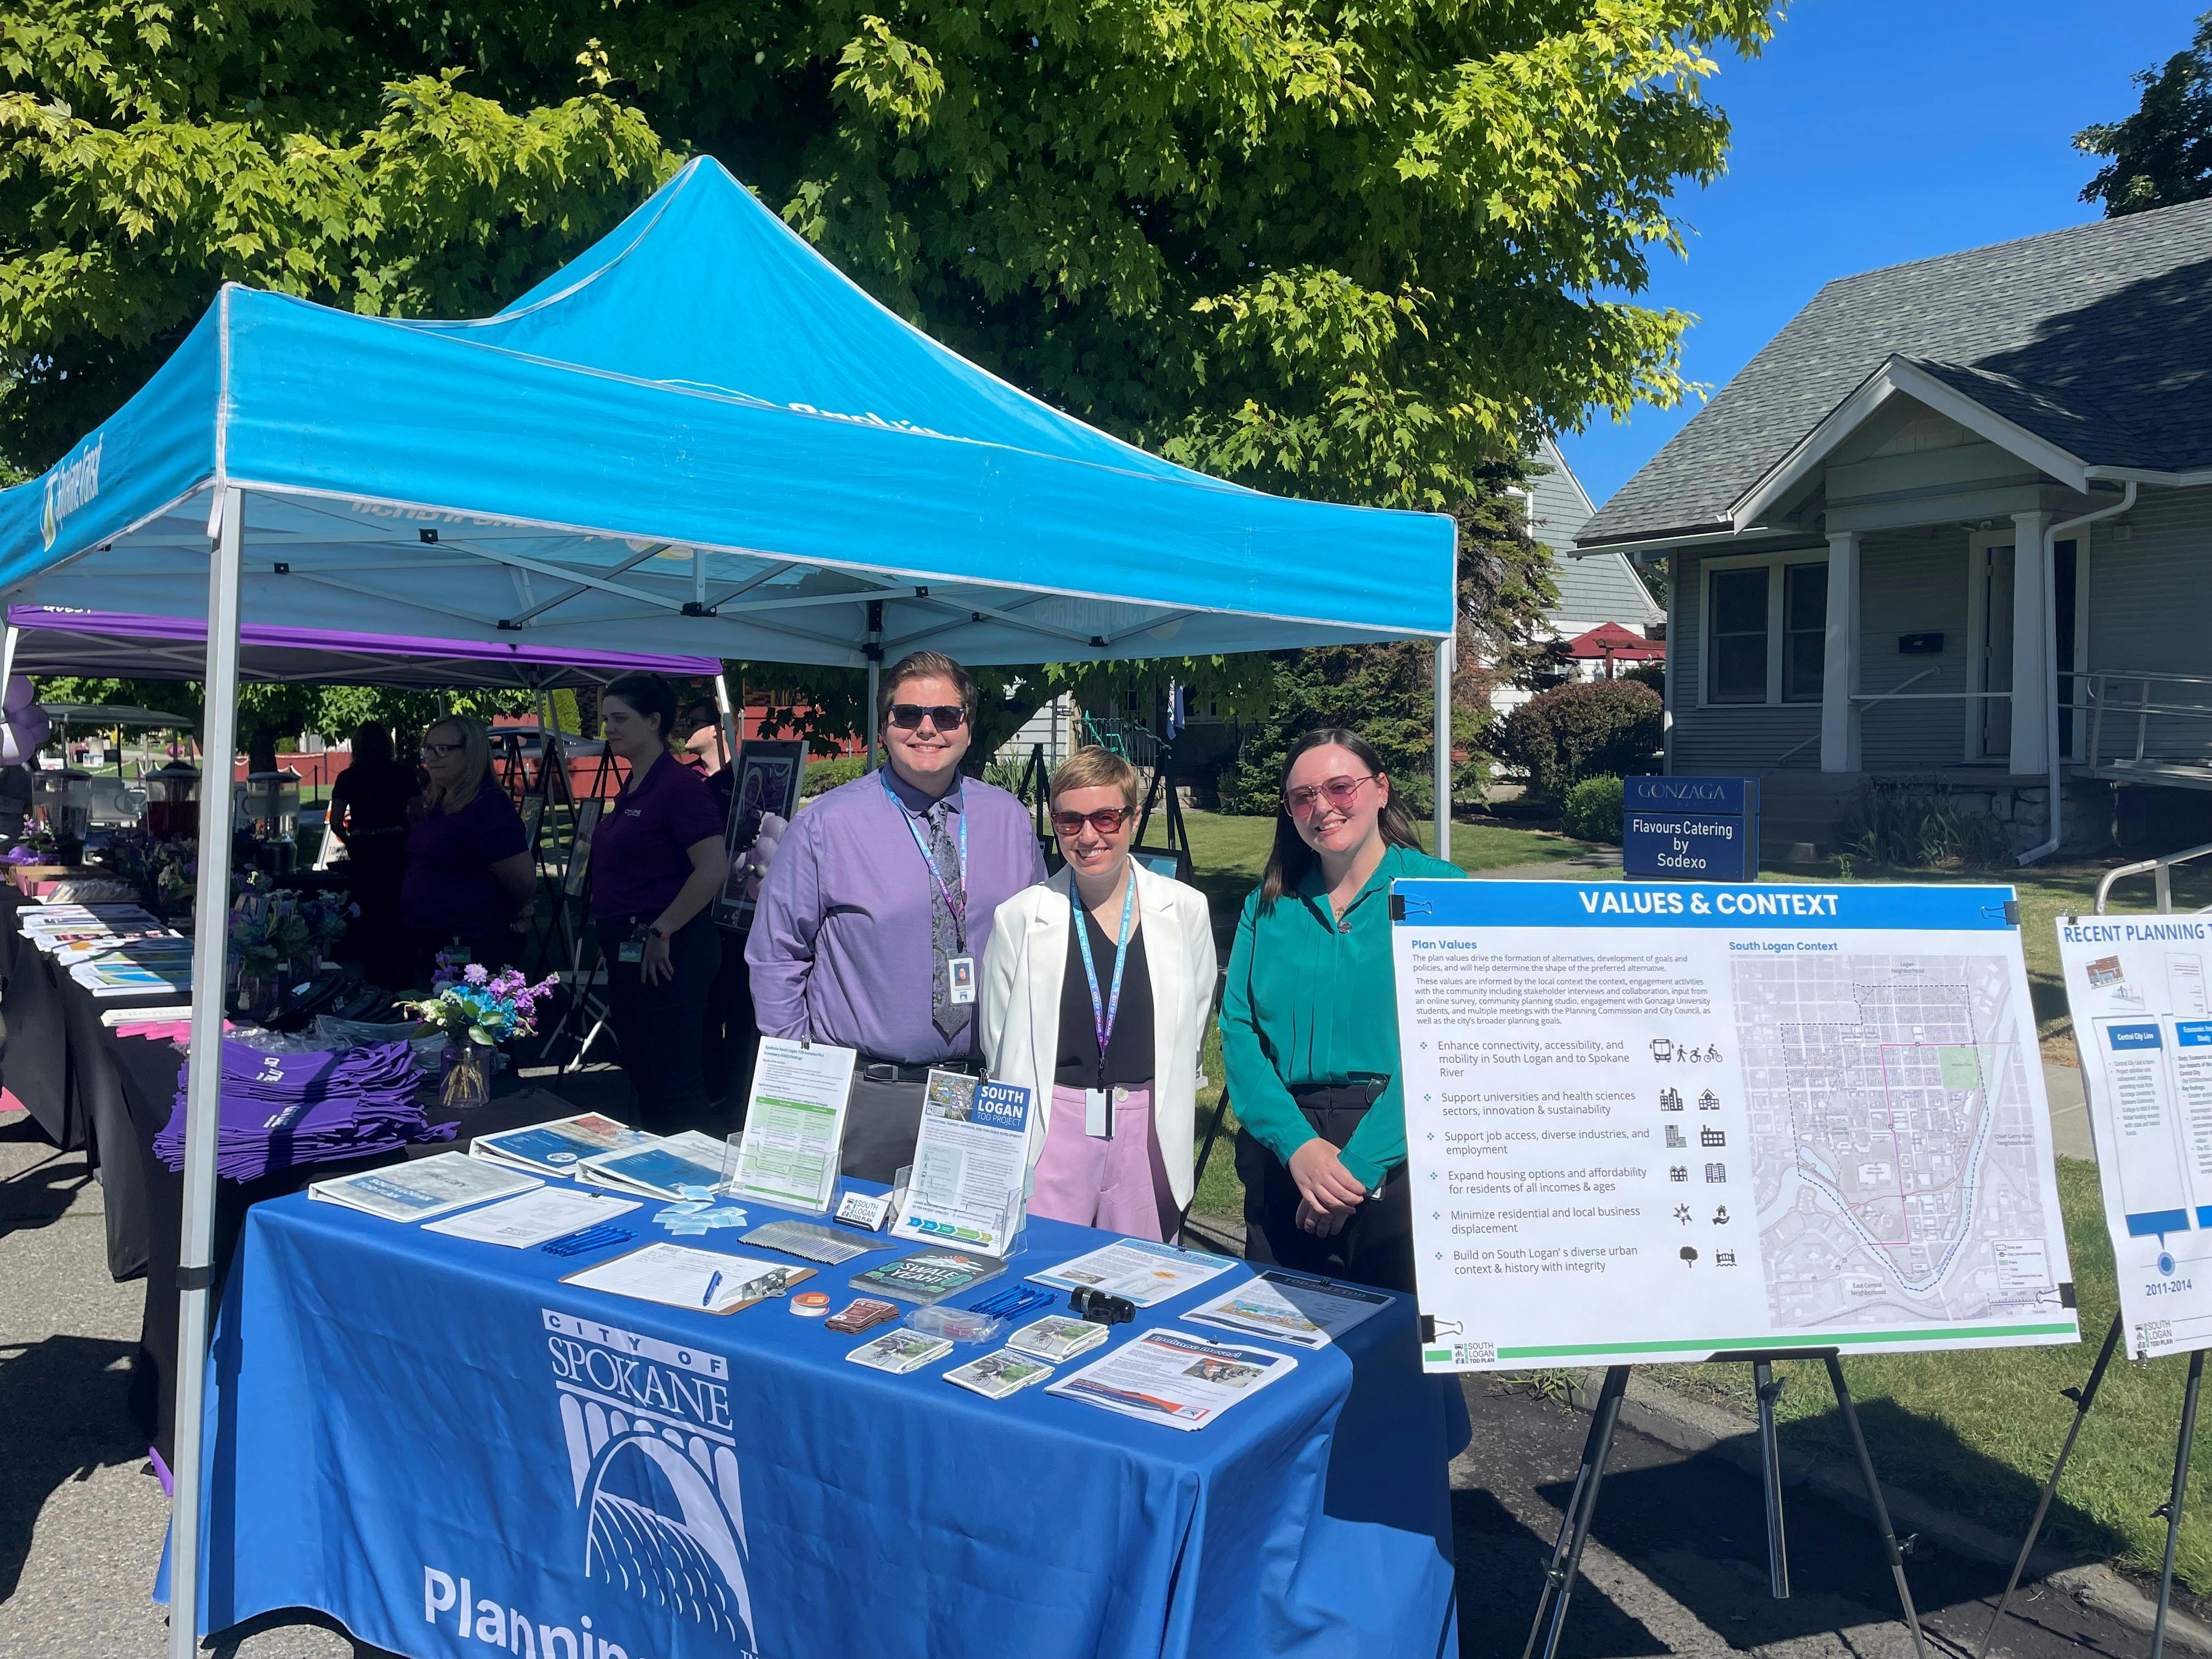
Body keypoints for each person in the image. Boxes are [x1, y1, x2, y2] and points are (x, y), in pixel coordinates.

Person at [748, 650, 1046, 1181]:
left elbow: (1043, 950)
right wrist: (806, 1073)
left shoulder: (1010, 823)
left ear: (968, 729)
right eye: (908, 715)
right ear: (883, 728)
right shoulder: (827, 826)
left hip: (980, 1092)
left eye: (946, 716)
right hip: (867, 1098)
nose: (926, 729)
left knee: (967, 1262)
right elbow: (775, 956)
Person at [1218, 728, 1465, 1291]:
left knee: (1399, 1355)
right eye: (1303, 797)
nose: (1321, 807)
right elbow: (1238, 1031)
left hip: (1400, 1152)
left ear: (1381, 789)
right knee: (1281, 1345)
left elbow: (1453, 1048)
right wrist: (1299, 1148)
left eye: (1339, 788)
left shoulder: (1444, 893)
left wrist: (1356, 1170)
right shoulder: (1268, 905)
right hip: (1286, 1154)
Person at [979, 748, 1216, 1239]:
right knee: (1041, 1272)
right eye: (1069, 821)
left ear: (1132, 817)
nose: (1089, 836)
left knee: (1141, 1281)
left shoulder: (1185, 910)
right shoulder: (1020, 917)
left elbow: (1194, 1023)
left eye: (1106, 818)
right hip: (1052, 1127)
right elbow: (999, 1042)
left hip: (1146, 1125)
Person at [590, 673, 729, 1134]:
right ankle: (653, 1171)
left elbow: (712, 867)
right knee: (645, 1074)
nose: (609, 728)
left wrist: (661, 929)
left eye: (620, 718)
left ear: (654, 721)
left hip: (668, 953)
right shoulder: (634, 784)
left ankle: (690, 1181)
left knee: (674, 1080)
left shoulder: (678, 787)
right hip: (633, 951)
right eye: (606, 718)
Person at [400, 716, 534, 980]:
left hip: (473, 945)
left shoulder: (488, 808)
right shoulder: (442, 802)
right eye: (428, 749)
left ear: (471, 752)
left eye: (443, 749)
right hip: (432, 939)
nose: (433, 757)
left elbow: (522, 880)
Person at [326, 721, 417, 988]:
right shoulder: (402, 774)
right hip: (396, 844)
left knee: (368, 907)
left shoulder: (348, 777)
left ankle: (374, 969)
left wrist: (350, 841)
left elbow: (336, 821)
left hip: (365, 848)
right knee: (397, 906)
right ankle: (401, 969)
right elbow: (418, 812)